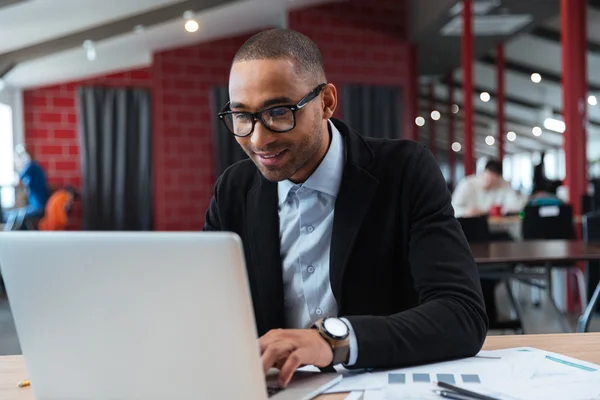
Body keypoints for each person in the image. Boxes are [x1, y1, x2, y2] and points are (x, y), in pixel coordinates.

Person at [203, 29, 487, 388]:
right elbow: (208, 313)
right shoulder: (234, 189)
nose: (258, 139)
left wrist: (334, 340)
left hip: (383, 387)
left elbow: (462, 315)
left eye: (278, 111)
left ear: (326, 102)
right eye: (242, 116)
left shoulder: (404, 170)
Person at [451, 159, 524, 218]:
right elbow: (453, 208)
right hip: (469, 225)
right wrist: (465, 211)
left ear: (498, 178)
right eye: (487, 179)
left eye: (493, 181)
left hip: (492, 227)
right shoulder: (467, 184)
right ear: (483, 172)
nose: (489, 184)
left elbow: (516, 206)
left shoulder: (503, 184)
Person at [2, 146, 50, 230]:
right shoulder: (35, 167)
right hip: (37, 205)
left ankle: (6, 237)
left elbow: (17, 181)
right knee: (18, 215)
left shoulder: (31, 166)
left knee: (15, 215)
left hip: (38, 207)